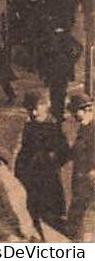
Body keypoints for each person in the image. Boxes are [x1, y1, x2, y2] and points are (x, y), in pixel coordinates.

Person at [15, 90, 71, 238]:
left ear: (44, 106)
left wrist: (51, 162)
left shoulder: (53, 126)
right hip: (30, 178)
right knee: (32, 213)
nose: (33, 112)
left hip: (48, 179)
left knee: (50, 215)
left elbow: (65, 152)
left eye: (36, 107)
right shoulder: (29, 126)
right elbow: (24, 151)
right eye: (30, 109)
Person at [37, 25, 82, 123]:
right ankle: (58, 113)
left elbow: (41, 56)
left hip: (56, 70)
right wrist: (72, 60)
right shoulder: (67, 37)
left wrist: (72, 60)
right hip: (60, 70)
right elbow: (79, 48)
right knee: (59, 92)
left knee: (56, 91)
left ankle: (57, 112)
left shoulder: (50, 38)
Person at [67, 89, 95, 241]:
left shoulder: (93, 128)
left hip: (88, 181)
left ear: (84, 110)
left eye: (74, 112)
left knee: (81, 219)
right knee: (76, 220)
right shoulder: (85, 126)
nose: (72, 116)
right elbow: (75, 151)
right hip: (81, 181)